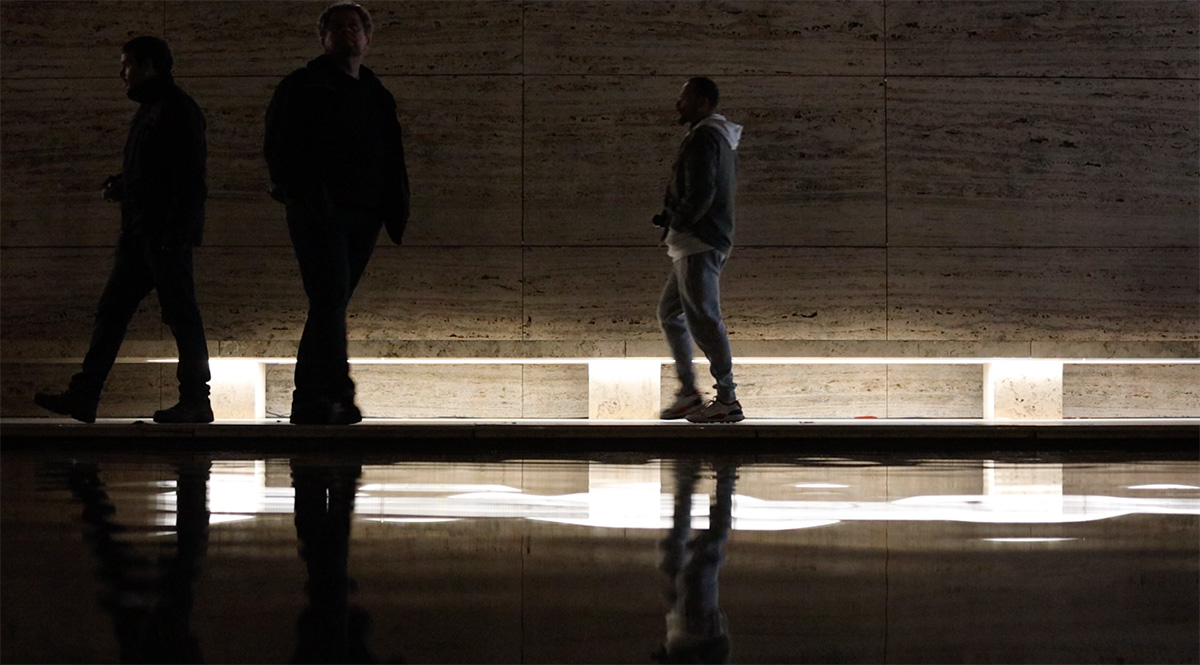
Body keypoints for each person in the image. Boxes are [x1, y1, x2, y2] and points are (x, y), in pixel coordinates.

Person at [35, 36, 213, 424]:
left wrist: (175, 234)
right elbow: (157, 173)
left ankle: (195, 399)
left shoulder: (173, 110)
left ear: (148, 66)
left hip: (160, 235)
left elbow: (188, 180)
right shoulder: (157, 109)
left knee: (177, 315)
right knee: (118, 312)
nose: (122, 74)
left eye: (127, 65)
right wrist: (123, 185)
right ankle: (86, 394)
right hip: (144, 233)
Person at [265, 1, 410, 425]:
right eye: (338, 27)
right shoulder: (302, 86)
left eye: (354, 26)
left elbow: (389, 154)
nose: (347, 32)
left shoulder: (376, 93)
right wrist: (306, 196)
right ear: (323, 38)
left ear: (367, 37)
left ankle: (312, 399)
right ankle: (337, 394)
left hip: (364, 214)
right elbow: (280, 147)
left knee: (329, 304)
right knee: (329, 299)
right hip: (319, 212)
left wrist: (390, 205)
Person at [653, 77, 745, 423]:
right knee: (670, 313)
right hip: (694, 241)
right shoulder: (712, 136)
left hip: (698, 240)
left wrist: (678, 222)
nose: (678, 104)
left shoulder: (706, 136)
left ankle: (727, 399)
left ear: (704, 103)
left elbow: (702, 190)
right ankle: (690, 393)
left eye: (685, 98)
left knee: (705, 319)